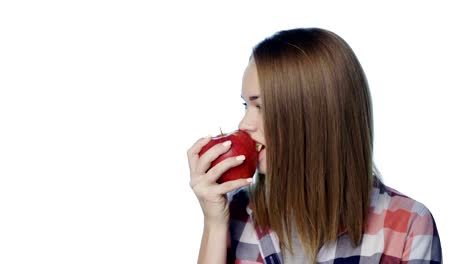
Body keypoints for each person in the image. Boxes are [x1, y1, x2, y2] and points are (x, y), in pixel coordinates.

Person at [187, 28, 442, 263]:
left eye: (261, 107)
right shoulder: (236, 212)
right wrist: (214, 223)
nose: (244, 124)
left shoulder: (408, 226)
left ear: (312, 116)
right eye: (246, 105)